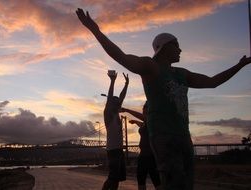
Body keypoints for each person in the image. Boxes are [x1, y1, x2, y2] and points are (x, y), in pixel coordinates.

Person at [76, 8, 251, 190]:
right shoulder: (151, 67)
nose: (180, 49)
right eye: (176, 44)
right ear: (164, 46)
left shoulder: (183, 74)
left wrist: (239, 66)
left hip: (184, 136)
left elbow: (213, 82)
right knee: (174, 183)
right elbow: (121, 56)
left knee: (186, 184)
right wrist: (94, 30)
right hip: (164, 136)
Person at [121, 102, 160, 190]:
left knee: (156, 180)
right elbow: (142, 124)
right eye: (143, 109)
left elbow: (143, 118)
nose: (143, 112)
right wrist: (135, 122)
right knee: (141, 179)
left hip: (151, 156)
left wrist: (126, 110)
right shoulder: (145, 123)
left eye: (145, 110)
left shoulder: (152, 121)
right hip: (143, 155)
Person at [102, 70, 129, 190]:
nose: (119, 103)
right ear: (111, 104)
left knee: (117, 178)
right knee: (112, 178)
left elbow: (121, 97)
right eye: (116, 102)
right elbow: (109, 99)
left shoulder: (116, 114)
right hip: (112, 150)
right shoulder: (108, 114)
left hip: (119, 150)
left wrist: (126, 84)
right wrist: (112, 81)